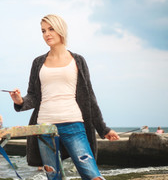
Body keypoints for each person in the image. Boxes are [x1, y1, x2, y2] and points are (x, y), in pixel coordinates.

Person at [9, 14, 119, 180]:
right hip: (44, 128)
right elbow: (33, 95)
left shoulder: (78, 61)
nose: (47, 34)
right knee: (54, 177)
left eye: (51, 29)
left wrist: (103, 129)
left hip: (74, 125)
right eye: (43, 31)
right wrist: (20, 101)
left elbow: (89, 98)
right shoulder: (38, 62)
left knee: (92, 175)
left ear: (61, 30)